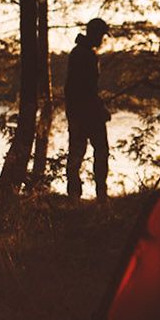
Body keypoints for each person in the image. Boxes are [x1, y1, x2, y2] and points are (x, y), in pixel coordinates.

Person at [65, 17, 110, 198]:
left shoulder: (80, 53)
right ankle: (99, 194)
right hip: (87, 114)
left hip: (79, 112)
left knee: (77, 154)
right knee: (99, 152)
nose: (102, 40)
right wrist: (100, 108)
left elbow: (77, 89)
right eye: (101, 35)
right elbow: (85, 89)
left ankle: (74, 195)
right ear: (95, 34)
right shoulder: (84, 55)